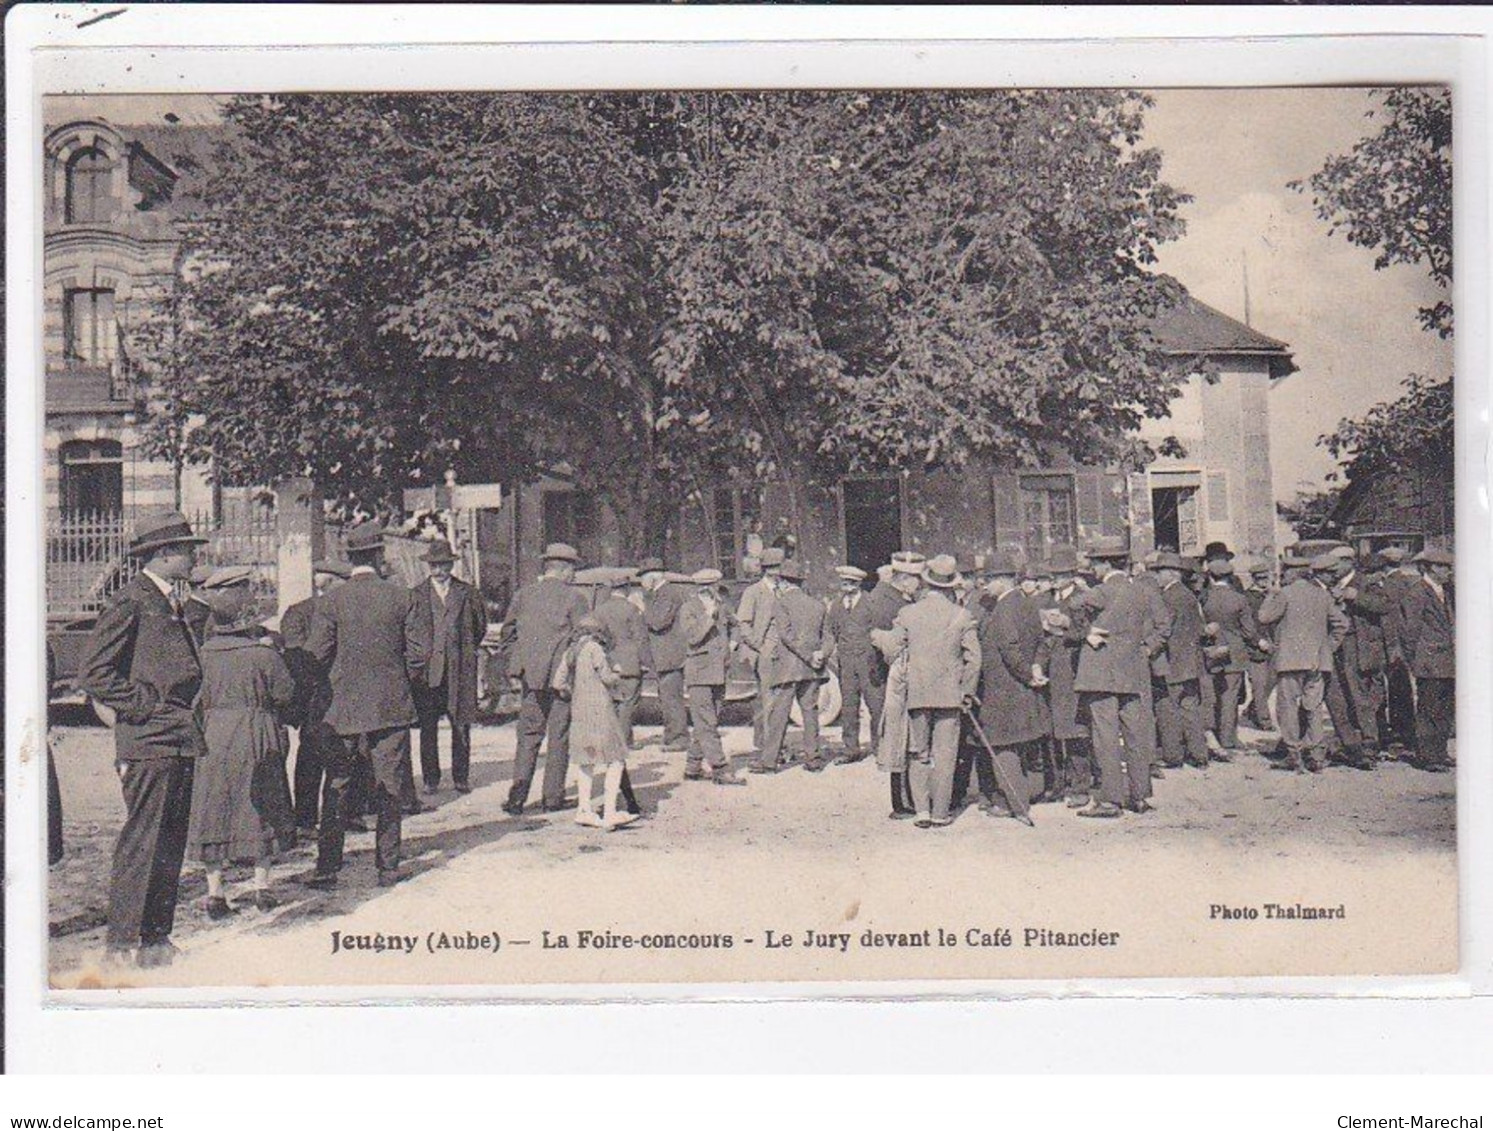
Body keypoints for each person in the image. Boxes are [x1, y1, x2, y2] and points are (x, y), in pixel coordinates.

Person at [77, 510, 209, 967]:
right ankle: (122, 943)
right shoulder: (131, 601)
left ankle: (155, 940)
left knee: (171, 839)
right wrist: (145, 706)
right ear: (165, 554)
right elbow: (93, 673)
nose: (194, 556)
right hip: (148, 739)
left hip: (177, 737)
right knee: (143, 840)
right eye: (188, 549)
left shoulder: (173, 600)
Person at [303, 521, 428, 889]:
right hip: (391, 707)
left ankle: (327, 868)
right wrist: (399, 682)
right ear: (379, 555)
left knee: (337, 784)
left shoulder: (331, 602)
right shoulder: (403, 597)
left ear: (349, 558)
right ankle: (388, 867)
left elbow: (316, 656)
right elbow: (419, 655)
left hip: (340, 710)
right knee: (388, 783)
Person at [186, 573, 297, 917]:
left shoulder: (202, 655)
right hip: (257, 731)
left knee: (214, 806)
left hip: (214, 735)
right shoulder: (263, 656)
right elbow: (286, 694)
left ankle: (215, 892)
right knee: (262, 803)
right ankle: (261, 885)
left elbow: (192, 699)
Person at [879, 555, 980, 828]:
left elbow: (892, 650)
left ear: (925, 582)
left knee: (918, 752)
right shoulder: (962, 615)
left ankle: (921, 811)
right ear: (951, 586)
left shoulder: (908, 614)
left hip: (917, 695)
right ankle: (940, 813)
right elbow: (974, 659)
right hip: (950, 697)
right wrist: (966, 691)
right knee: (945, 755)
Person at [500, 542, 589, 815]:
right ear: (562, 570)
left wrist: (520, 664)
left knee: (528, 736)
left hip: (531, 680)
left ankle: (517, 798)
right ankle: (552, 798)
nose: (574, 575)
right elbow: (585, 638)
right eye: (572, 569)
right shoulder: (575, 599)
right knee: (558, 737)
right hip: (562, 681)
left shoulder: (523, 595)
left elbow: (507, 633)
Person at [1073, 550, 1162, 818]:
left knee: (1106, 737)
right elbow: (1162, 624)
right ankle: (1140, 796)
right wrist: (1146, 650)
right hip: (1132, 671)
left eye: (1095, 565)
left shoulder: (1101, 591)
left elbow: (1072, 606)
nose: (1093, 570)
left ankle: (1110, 800)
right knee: (1136, 735)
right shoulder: (1143, 591)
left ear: (1105, 564)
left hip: (1101, 672)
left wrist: (1086, 632)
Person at [1257, 554, 1349, 773]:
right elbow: (1342, 624)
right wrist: (1327, 648)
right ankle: (1316, 756)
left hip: (1289, 661)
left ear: (1289, 572)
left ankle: (1294, 755)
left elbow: (1263, 617)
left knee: (1287, 707)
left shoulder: (1284, 594)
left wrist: (1271, 595)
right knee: (1313, 708)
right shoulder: (1322, 596)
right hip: (1318, 661)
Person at [971, 552, 1044, 824]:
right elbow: (1040, 642)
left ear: (1002, 580)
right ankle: (1010, 799)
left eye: (989, 579)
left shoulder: (1001, 609)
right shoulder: (1027, 603)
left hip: (1003, 688)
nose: (985, 585)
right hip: (1023, 687)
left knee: (1003, 747)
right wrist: (1036, 669)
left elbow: (1009, 650)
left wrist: (1027, 674)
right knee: (1017, 745)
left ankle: (1017, 804)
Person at [411, 541, 488, 795]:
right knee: (428, 727)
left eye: (443, 565)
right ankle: (431, 780)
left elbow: (479, 628)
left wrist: (462, 653)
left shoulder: (467, 592)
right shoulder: (417, 594)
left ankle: (460, 777)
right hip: (429, 673)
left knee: (461, 724)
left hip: (459, 671)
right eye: (434, 565)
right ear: (428, 566)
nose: (438, 570)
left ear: (451, 564)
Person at [281, 560, 352, 832]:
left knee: (342, 757)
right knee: (313, 755)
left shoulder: (304, 611)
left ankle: (336, 815)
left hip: (331, 693)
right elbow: (297, 658)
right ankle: (307, 816)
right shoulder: (301, 613)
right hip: (316, 697)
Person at [559, 616, 638, 830]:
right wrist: (618, 672)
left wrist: (573, 692)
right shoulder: (595, 648)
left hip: (579, 710)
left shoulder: (571, 651)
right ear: (597, 632)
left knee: (586, 761)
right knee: (616, 759)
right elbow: (607, 677)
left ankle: (584, 810)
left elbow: (559, 682)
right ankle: (610, 812)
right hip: (601, 710)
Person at [752, 559, 829, 773]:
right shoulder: (818, 605)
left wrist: (806, 655)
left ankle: (769, 762)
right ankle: (813, 759)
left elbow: (786, 636)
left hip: (787, 668)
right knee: (810, 713)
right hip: (812, 669)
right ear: (800, 583)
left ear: (784, 583)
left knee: (779, 714)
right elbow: (829, 636)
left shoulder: (781, 603)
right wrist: (821, 654)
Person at [677, 569, 747, 786]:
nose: (712, 591)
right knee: (707, 722)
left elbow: (737, 625)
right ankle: (720, 769)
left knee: (708, 721)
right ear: (699, 589)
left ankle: (692, 766)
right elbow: (693, 638)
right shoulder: (689, 608)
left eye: (714, 586)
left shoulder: (723, 606)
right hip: (699, 673)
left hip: (719, 671)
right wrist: (708, 616)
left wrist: (733, 643)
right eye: (706, 588)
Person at [1323, 553, 1389, 770]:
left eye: (1337, 563)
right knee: (1336, 696)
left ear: (1349, 562)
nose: (1333, 567)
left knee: (1359, 695)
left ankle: (1370, 743)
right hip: (1334, 646)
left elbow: (1384, 605)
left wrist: (1355, 596)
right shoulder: (1328, 583)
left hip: (1357, 647)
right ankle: (1349, 743)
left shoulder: (1365, 581)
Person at [869, 555, 923, 816]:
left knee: (902, 736)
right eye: (916, 579)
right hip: (894, 677)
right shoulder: (887, 602)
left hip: (897, 675)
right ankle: (901, 802)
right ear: (904, 579)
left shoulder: (895, 598)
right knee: (898, 737)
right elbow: (886, 644)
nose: (919, 585)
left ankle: (907, 798)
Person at [1042, 550, 1095, 807]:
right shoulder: (1046, 598)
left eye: (1060, 575)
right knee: (1053, 730)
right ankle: (1056, 783)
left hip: (1071, 669)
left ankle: (1080, 785)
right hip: (1050, 669)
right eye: (1053, 574)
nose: (1055, 579)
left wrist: (1065, 626)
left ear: (1072, 576)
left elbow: (1089, 633)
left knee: (1075, 729)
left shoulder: (1081, 599)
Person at [1398, 549, 1455, 771]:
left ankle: (1440, 752)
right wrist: (1415, 660)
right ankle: (1428, 756)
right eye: (1444, 567)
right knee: (1429, 708)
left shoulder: (1444, 591)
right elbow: (1409, 631)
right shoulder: (1417, 593)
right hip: (1429, 660)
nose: (1448, 571)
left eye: (1448, 567)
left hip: (1446, 659)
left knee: (1445, 708)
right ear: (1431, 567)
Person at [1153, 553, 1210, 770]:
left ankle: (1173, 756)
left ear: (1170, 573)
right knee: (1191, 709)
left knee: (1168, 710)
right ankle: (1199, 755)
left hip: (1172, 663)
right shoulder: (1189, 595)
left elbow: (1163, 629)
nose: (1157, 577)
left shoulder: (1168, 598)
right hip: (1192, 663)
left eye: (1159, 572)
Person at [1201, 558, 1260, 758]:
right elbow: (1249, 631)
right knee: (1230, 698)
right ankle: (1228, 738)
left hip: (1210, 653)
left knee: (1211, 696)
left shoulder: (1204, 598)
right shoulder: (1239, 599)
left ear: (1210, 576)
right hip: (1234, 653)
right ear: (1230, 576)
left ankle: (1212, 736)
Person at [826, 565, 877, 763]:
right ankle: (851, 750)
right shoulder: (837, 605)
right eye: (843, 582)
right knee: (849, 707)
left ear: (858, 584)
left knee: (875, 705)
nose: (845, 586)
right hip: (846, 663)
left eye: (849, 583)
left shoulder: (870, 602)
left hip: (868, 662)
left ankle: (879, 748)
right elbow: (832, 630)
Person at [592, 572, 650, 747]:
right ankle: (622, 742)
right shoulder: (632, 609)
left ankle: (617, 739)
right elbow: (640, 638)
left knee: (612, 702)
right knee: (627, 704)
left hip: (606, 662)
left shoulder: (599, 610)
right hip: (630, 663)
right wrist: (645, 662)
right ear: (627, 589)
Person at [639, 557, 691, 751]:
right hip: (666, 656)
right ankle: (672, 736)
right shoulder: (662, 593)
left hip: (670, 656)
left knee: (671, 698)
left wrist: (642, 604)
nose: (642, 584)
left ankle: (679, 738)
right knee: (667, 698)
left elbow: (658, 622)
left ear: (652, 577)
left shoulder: (667, 593)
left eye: (643, 578)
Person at [735, 549, 781, 755]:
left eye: (778, 567)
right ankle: (768, 745)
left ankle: (770, 741)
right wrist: (760, 647)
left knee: (775, 699)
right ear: (764, 569)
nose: (776, 571)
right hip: (762, 651)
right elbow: (744, 624)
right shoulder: (753, 592)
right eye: (771, 567)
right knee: (767, 698)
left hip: (781, 653)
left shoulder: (784, 590)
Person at [1376, 546, 1421, 754]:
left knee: (1397, 687)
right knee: (1401, 687)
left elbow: (1390, 616)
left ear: (1384, 563)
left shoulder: (1390, 584)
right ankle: (1404, 730)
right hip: (1402, 642)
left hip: (1393, 643)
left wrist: (1393, 645)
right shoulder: (1406, 581)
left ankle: (1402, 731)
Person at [1242, 560, 1276, 731]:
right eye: (1260, 578)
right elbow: (1246, 625)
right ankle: (1264, 721)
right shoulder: (1247, 598)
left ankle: (1251, 710)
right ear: (1254, 579)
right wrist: (1258, 641)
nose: (1264, 581)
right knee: (1260, 684)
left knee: (1270, 682)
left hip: (1273, 645)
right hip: (1256, 647)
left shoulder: (1274, 595)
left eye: (1266, 578)